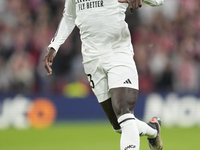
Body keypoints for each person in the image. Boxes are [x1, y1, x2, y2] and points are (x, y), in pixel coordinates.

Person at [44, 0, 164, 149]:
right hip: (91, 60)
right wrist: (54, 46)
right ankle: (153, 130)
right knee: (119, 125)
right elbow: (69, 16)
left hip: (118, 53)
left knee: (124, 113)